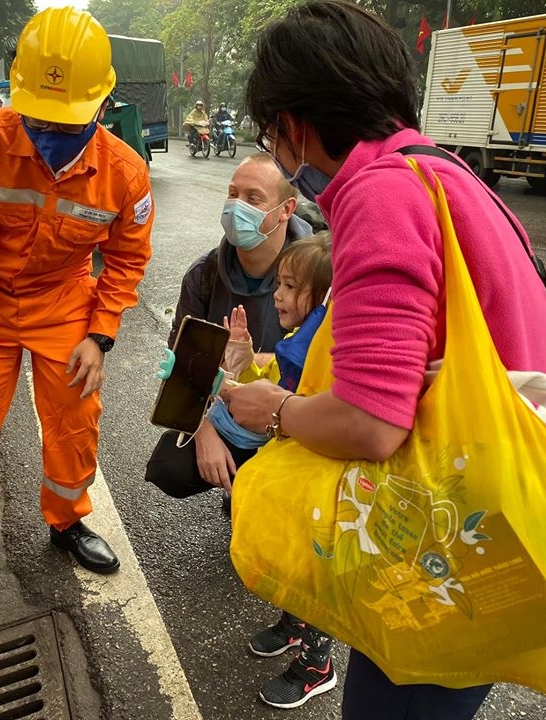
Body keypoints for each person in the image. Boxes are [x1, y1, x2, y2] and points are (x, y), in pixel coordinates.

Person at [222, 1, 546, 717]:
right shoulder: (447, 174)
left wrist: (274, 409)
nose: (280, 155)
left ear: (296, 126)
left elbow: (372, 423)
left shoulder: (382, 195)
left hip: (447, 534)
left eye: (273, 136)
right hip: (499, 504)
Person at [0, 7, 154, 586]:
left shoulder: (125, 174)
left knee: (74, 417)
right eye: (38, 117)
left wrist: (100, 335)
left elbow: (127, 261)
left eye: (65, 122)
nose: (48, 134)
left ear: (102, 104)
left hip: (63, 302)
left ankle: (67, 522)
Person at [218, 235, 341, 710]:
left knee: (316, 571)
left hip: (318, 480)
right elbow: (274, 394)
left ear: (323, 297)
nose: (278, 295)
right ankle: (294, 624)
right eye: (279, 284)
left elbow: (293, 402)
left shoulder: (320, 347)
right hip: (295, 469)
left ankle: (317, 664)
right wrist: (245, 362)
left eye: (291, 286)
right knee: (293, 558)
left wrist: (238, 383)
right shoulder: (299, 340)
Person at [145, 153, 311, 502]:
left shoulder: (322, 275)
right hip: (233, 415)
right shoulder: (204, 275)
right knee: (170, 467)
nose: (237, 207)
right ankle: (242, 478)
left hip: (301, 419)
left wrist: (256, 362)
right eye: (233, 194)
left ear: (286, 209)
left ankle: (265, 490)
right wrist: (203, 432)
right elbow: (180, 371)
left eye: (253, 198)